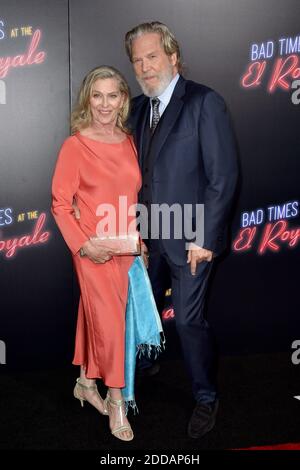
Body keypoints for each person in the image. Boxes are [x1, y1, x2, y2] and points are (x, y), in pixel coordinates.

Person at [125, 21, 238, 438]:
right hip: (149, 236)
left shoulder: (204, 103)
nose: (145, 66)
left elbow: (222, 176)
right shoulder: (137, 108)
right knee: (146, 311)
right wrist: (136, 234)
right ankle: (150, 360)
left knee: (189, 321)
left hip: (191, 238)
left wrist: (205, 237)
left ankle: (207, 397)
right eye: (137, 60)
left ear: (173, 56)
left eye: (152, 56)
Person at [51, 65, 143, 442]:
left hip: (125, 246)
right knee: (111, 321)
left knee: (102, 315)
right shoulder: (76, 145)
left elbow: (131, 197)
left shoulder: (127, 139)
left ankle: (85, 383)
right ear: (88, 99)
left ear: (123, 99)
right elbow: (60, 204)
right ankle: (117, 399)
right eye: (97, 95)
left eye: (113, 95)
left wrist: (138, 243)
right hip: (91, 248)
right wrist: (85, 245)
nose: (105, 104)